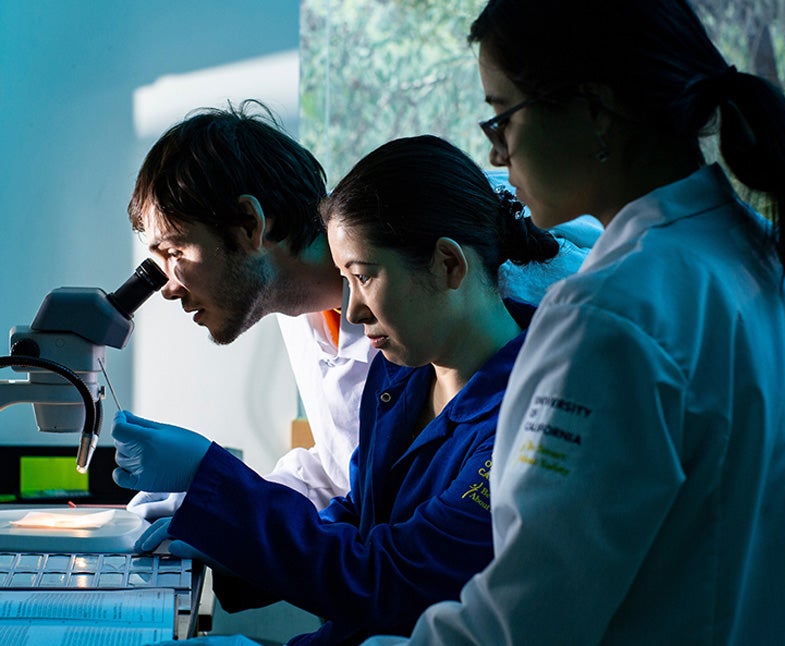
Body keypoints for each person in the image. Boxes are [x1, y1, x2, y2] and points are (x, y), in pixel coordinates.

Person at [365, 1, 785, 644]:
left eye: (503, 116)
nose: (493, 150)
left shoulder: (611, 312)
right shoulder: (766, 257)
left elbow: (531, 618)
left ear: (594, 112)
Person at [113, 134, 560, 644]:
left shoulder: (527, 414)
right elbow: (356, 513)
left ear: (449, 265)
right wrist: (230, 535)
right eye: (346, 279)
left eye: (363, 277)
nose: (351, 311)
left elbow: (395, 579)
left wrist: (216, 484)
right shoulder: (399, 375)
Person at [123, 101, 600, 519]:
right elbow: (349, 477)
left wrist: (218, 484)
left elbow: (412, 556)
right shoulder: (302, 312)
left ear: (250, 223)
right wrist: (211, 507)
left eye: (176, 251)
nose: (165, 285)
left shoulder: (452, 309)